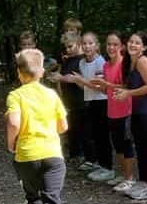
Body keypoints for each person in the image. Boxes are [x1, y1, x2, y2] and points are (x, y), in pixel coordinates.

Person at [5, 48, 71, 204]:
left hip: (27, 156)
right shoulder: (51, 95)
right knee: (52, 200)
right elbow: (63, 126)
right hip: (53, 155)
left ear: (19, 74)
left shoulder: (16, 96)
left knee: (33, 198)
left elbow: (14, 122)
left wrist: (11, 143)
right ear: (42, 72)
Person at [113, 31, 147, 201]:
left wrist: (128, 93)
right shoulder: (129, 61)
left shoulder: (142, 61)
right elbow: (127, 85)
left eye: (137, 43)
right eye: (131, 41)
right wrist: (109, 86)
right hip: (137, 112)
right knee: (140, 147)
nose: (133, 45)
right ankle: (144, 182)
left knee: (146, 148)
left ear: (144, 47)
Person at [89, 30, 136, 191]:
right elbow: (107, 91)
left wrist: (106, 85)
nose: (111, 47)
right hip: (112, 110)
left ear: (122, 46)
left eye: (115, 44)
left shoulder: (125, 64)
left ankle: (130, 178)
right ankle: (123, 175)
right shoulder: (106, 65)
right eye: (109, 44)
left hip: (125, 110)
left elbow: (126, 87)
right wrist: (100, 86)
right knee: (117, 144)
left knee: (125, 144)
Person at [70, 32, 113, 182]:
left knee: (103, 136)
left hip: (102, 101)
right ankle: (100, 165)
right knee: (95, 135)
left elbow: (99, 88)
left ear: (97, 46)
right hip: (90, 102)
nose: (87, 46)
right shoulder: (82, 63)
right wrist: (78, 82)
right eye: (84, 44)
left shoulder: (100, 62)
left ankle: (108, 168)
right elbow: (87, 87)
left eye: (91, 43)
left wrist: (81, 80)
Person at [49, 33, 86, 164]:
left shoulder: (83, 60)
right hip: (69, 100)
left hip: (81, 101)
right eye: (66, 47)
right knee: (71, 128)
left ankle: (83, 155)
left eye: (71, 46)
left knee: (82, 129)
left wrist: (61, 78)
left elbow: (80, 80)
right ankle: (74, 153)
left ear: (79, 44)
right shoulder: (68, 60)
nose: (68, 50)